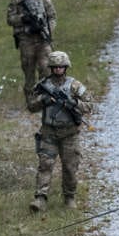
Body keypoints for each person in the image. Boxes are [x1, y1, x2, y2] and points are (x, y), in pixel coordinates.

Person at [29, 50, 89, 213]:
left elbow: (90, 105)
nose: (58, 70)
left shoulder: (74, 85)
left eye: (61, 67)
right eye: (55, 67)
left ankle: (69, 197)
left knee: (70, 167)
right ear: (50, 67)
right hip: (49, 133)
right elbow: (31, 105)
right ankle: (40, 198)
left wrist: (73, 103)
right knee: (45, 165)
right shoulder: (43, 85)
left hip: (70, 134)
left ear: (66, 67)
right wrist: (44, 100)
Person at [6, 0, 56, 96]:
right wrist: (22, 19)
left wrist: (48, 30)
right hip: (26, 40)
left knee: (46, 67)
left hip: (42, 39)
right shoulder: (17, 1)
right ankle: (30, 98)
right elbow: (10, 19)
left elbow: (52, 16)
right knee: (28, 70)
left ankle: (45, 95)